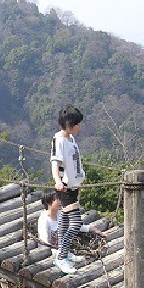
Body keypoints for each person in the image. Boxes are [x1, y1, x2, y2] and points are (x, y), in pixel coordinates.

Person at [49, 106, 105, 274]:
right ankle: (61, 258)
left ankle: (62, 253)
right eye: (77, 124)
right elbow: (55, 162)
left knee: (64, 222)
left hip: (74, 187)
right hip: (65, 188)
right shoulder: (59, 140)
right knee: (75, 223)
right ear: (69, 124)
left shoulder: (71, 139)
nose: (79, 127)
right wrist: (58, 181)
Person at [38, 188, 106, 261]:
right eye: (58, 199)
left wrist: (91, 229)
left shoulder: (60, 214)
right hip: (52, 254)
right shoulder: (44, 220)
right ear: (49, 202)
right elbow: (45, 243)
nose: (61, 201)